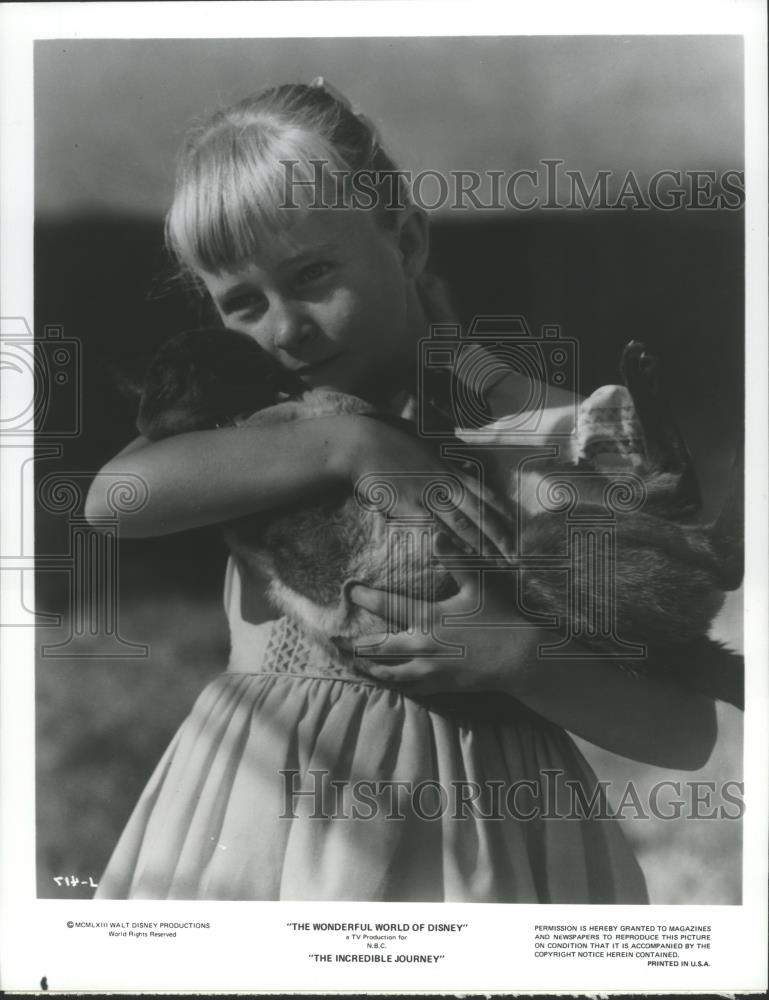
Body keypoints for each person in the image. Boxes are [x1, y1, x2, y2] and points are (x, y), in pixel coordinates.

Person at [85, 80, 716, 902]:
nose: (284, 328)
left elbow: (684, 730)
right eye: (241, 303)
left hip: (480, 846)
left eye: (312, 273)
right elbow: (112, 502)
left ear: (408, 239)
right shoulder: (249, 421)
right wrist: (351, 444)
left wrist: (519, 658)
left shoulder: (542, 434)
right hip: (257, 829)